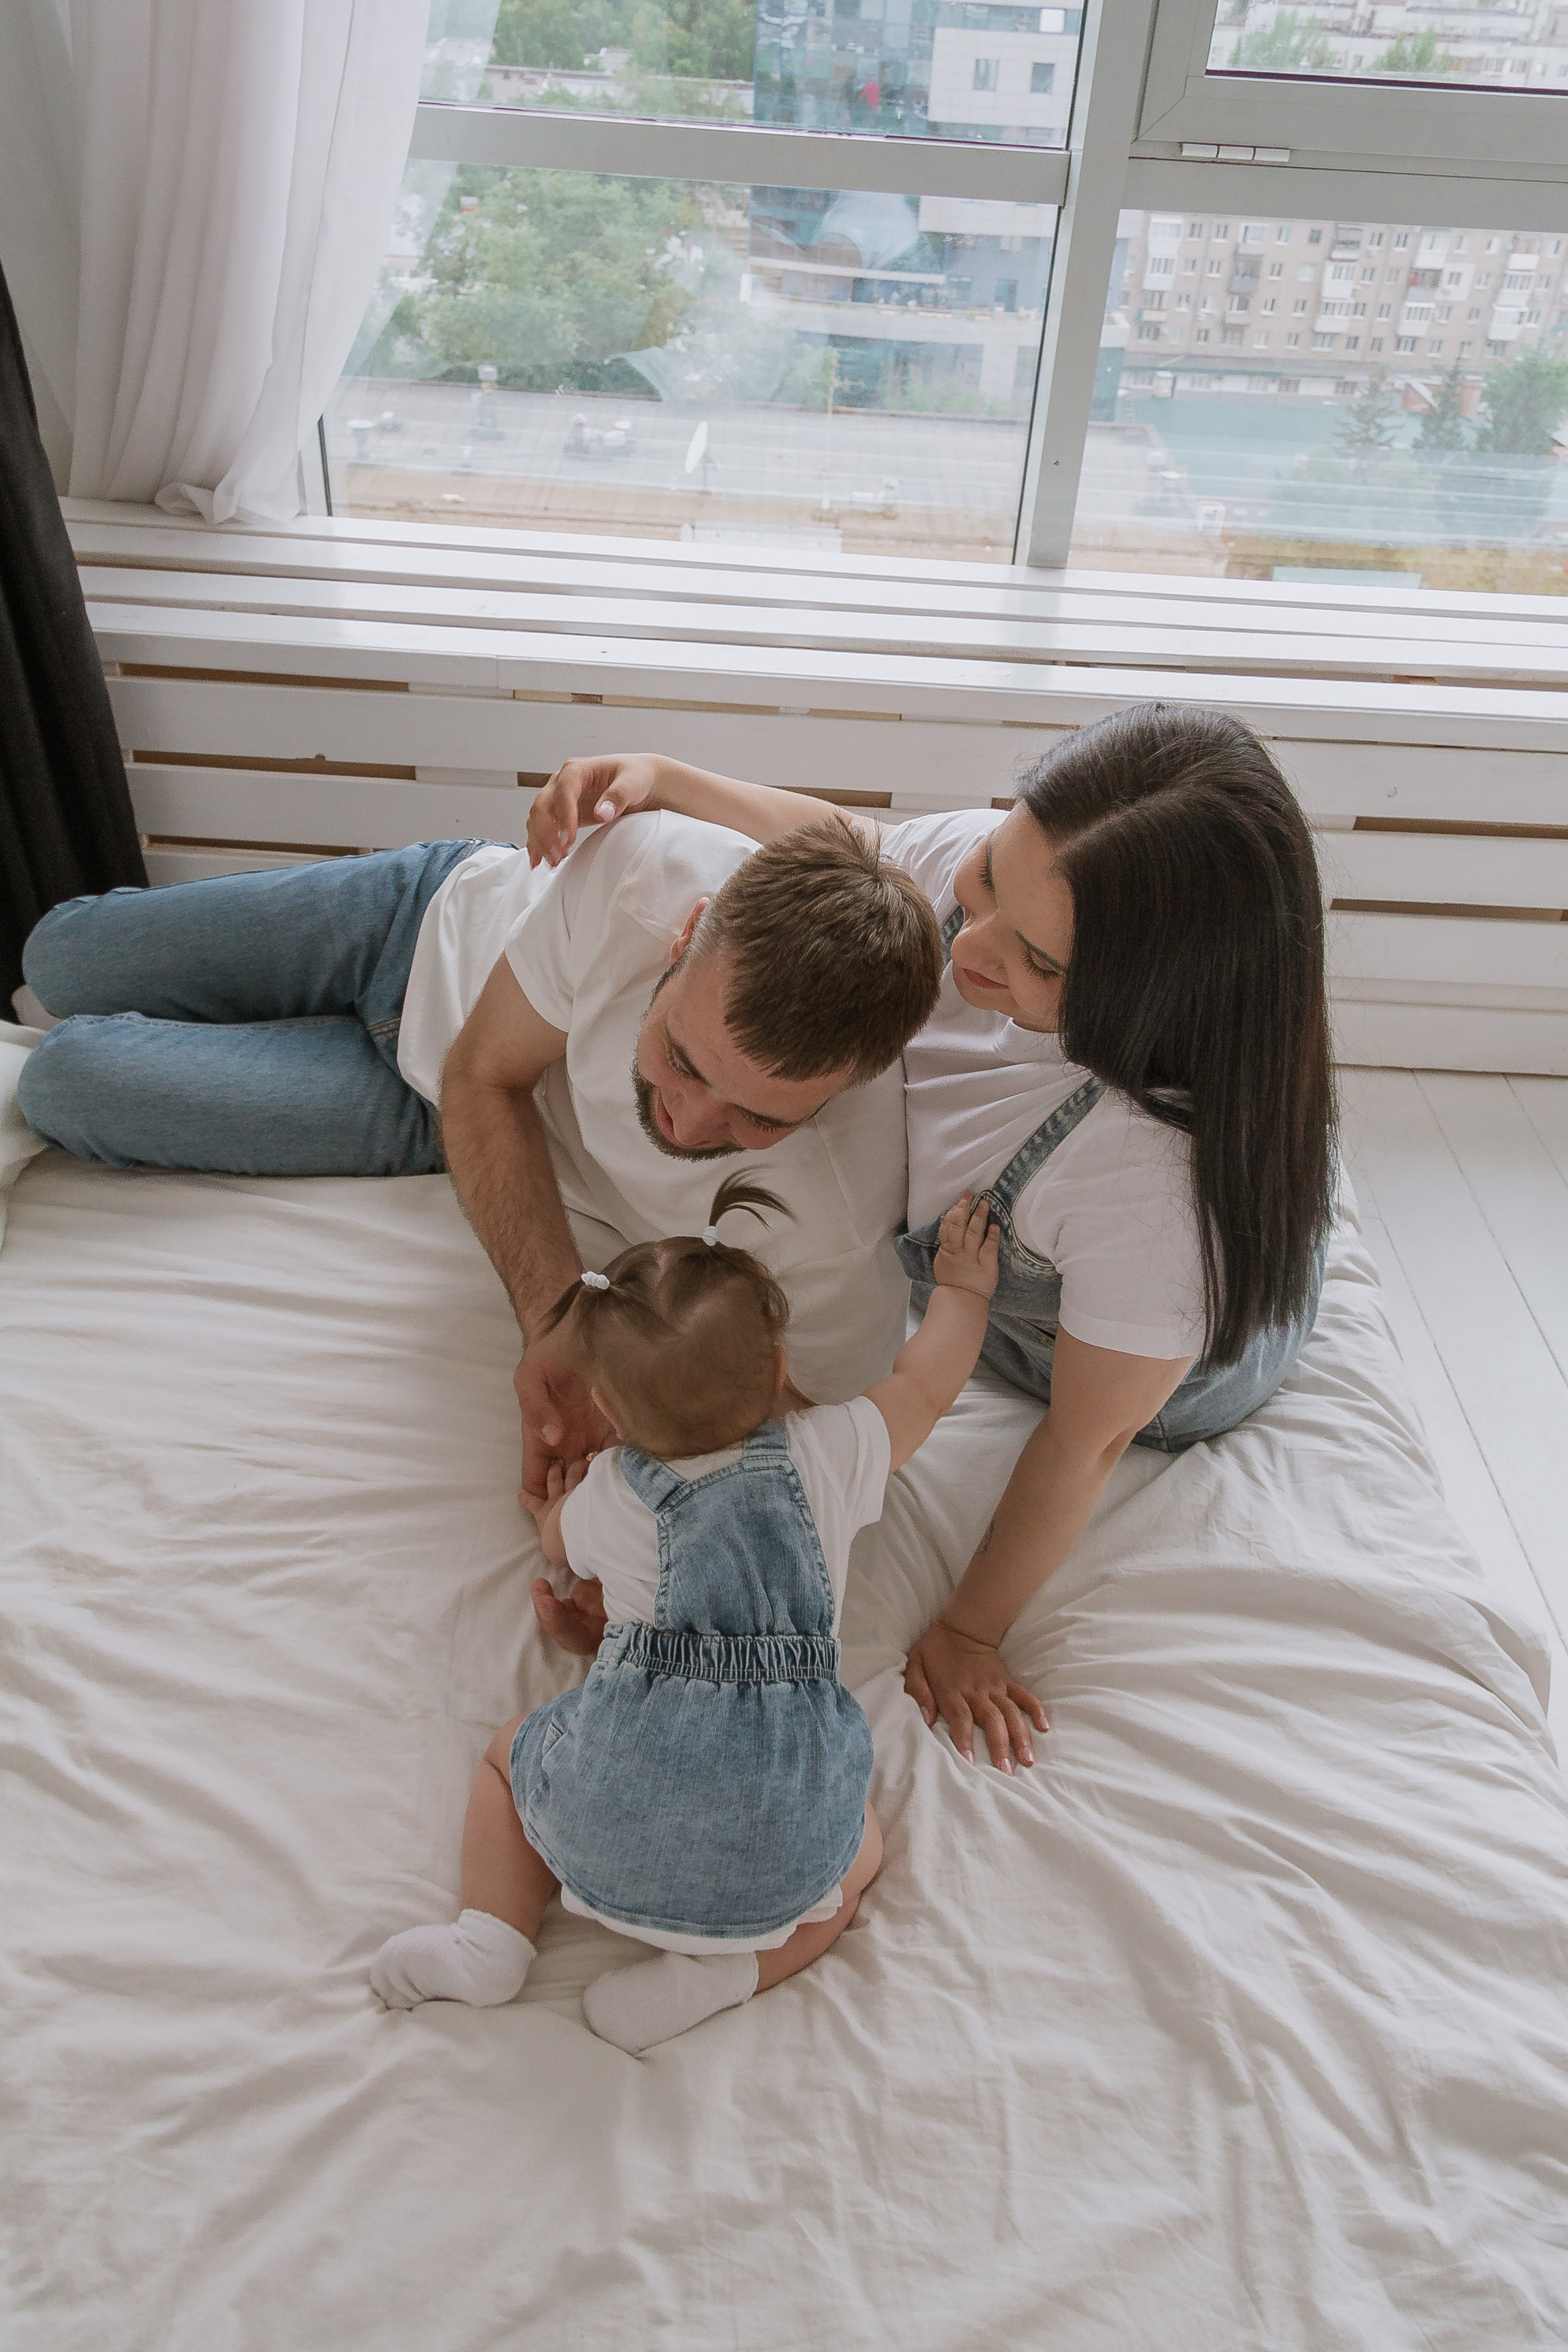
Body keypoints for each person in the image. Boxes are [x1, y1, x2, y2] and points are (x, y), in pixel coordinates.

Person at [524, 703, 1338, 1775]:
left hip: (1156, 1367)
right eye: (994, 876)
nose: (974, 946)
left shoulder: (1149, 1198)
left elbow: (1085, 1441)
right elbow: (862, 851)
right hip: (1019, 1256)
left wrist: (969, 1633)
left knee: (1135, 1338)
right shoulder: (1025, 879)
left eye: (1038, 964)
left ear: (1142, 1001)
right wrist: (668, 776)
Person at [17, 815, 943, 1506]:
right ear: (684, 933)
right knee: (55, 958)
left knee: (63, 1080)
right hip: (422, 933)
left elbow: (834, 1428)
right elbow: (488, 1072)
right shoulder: (643, 874)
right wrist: (556, 1318)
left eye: (759, 1120)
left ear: (851, 1087)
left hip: (433, 1119)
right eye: (681, 1058)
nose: (693, 1122)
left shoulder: (835, 1214)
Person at [369, 1175, 1001, 2054]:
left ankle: (492, 1939)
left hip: (609, 1828)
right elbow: (927, 1384)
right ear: (781, 1371)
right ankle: (722, 1977)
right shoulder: (834, 1453)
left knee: (505, 1763)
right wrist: (964, 1291)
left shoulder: (613, 1496)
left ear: (613, 1413)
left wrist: (555, 1513)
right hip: (776, 1858)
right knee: (854, 1864)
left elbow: (559, 1545)